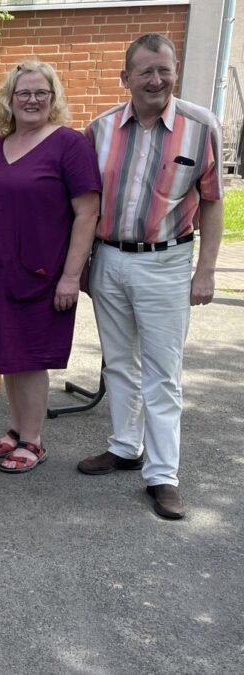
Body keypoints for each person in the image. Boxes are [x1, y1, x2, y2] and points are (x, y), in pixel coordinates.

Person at [77, 33, 223, 519]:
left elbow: (213, 203)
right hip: (109, 258)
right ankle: (125, 446)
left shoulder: (201, 127)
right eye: (146, 71)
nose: (157, 80)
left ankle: (163, 475)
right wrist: (83, 264)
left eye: (165, 69)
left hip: (167, 262)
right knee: (119, 362)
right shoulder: (99, 130)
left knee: (163, 373)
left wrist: (206, 270)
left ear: (175, 71)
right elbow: (87, 205)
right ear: (126, 78)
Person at [0, 61, 101, 473]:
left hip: (40, 274)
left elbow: (87, 213)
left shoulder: (69, 145)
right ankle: (16, 428)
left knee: (30, 357)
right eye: (23, 93)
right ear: (10, 99)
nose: (32, 100)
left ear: (53, 98)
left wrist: (71, 276)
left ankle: (33, 440)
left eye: (42, 92)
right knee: (8, 352)